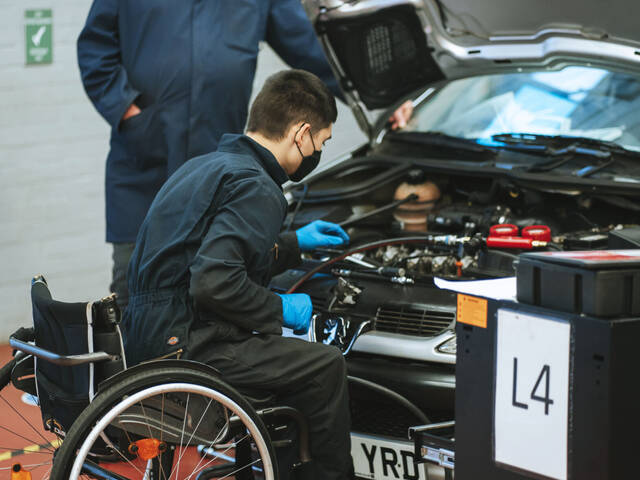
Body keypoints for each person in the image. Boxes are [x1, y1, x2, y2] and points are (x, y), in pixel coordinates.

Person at [77, 0, 413, 309]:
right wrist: (128, 113)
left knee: (218, 290)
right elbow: (95, 49)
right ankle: (134, 376)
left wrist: (385, 95)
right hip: (145, 167)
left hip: (220, 171)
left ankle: (199, 375)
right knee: (133, 296)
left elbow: (312, 50)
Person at [123, 70, 352, 479]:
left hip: (145, 336)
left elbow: (209, 256)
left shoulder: (207, 166)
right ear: (301, 134)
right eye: (322, 140)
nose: (319, 150)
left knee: (280, 357)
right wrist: (279, 307)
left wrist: (296, 243)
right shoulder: (258, 187)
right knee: (324, 364)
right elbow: (214, 282)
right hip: (189, 347)